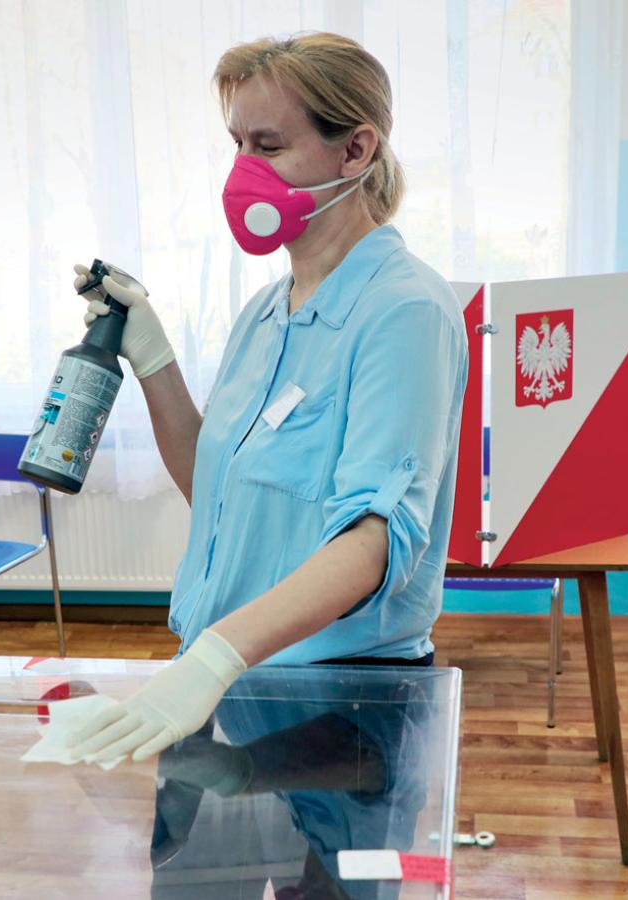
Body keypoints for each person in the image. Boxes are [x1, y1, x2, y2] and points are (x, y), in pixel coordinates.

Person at [69, 32, 468, 765]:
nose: (243, 172)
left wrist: (216, 657)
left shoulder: (404, 311)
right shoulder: (264, 313)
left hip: (338, 700)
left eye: (269, 146)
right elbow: (213, 488)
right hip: (222, 677)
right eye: (237, 145)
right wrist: (153, 359)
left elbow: (375, 542)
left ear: (355, 151)